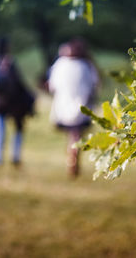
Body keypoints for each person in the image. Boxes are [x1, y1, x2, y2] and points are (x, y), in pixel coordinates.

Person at [48, 38, 99, 177]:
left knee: (72, 135)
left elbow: (52, 86)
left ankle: (71, 159)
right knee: (76, 135)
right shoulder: (87, 65)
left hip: (62, 106)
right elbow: (95, 85)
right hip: (81, 105)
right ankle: (73, 159)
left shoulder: (59, 64)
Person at [0, 37, 35, 166]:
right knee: (15, 129)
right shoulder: (9, 62)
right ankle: (15, 156)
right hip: (13, 102)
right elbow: (18, 81)